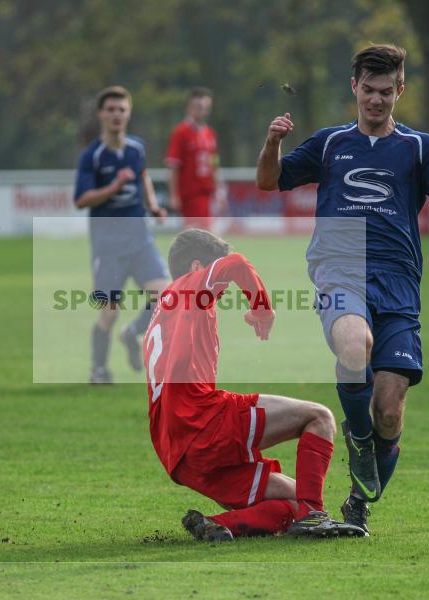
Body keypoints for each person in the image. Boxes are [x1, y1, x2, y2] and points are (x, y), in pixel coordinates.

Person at [256, 44, 429, 535]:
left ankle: (359, 500)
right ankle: (356, 435)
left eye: (386, 92)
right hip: (340, 267)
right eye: (368, 90)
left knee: (390, 410)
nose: (376, 100)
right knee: (355, 346)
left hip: (399, 282)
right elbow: (269, 180)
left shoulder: (418, 147)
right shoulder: (331, 142)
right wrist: (273, 142)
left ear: (399, 90)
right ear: (353, 88)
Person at [145, 229, 361, 540]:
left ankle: (216, 525)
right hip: (202, 423)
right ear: (196, 267)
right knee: (320, 417)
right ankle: (314, 518)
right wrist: (262, 307)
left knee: (294, 500)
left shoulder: (164, 311)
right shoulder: (191, 287)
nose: (221, 292)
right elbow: (236, 264)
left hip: (177, 453)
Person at [74, 86, 169, 384]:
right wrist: (113, 188)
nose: (116, 115)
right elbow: (81, 199)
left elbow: (143, 178)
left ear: (128, 114)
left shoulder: (136, 149)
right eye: (111, 110)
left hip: (140, 240)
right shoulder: (93, 156)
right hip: (108, 247)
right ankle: (98, 370)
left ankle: (132, 333)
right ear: (101, 114)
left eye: (122, 109)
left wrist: (152, 205)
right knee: (109, 313)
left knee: (166, 296)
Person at [165, 87, 223, 230]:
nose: (202, 111)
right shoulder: (181, 132)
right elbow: (173, 166)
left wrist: (219, 190)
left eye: (205, 107)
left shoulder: (210, 133)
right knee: (199, 234)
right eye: (198, 107)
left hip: (207, 192)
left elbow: (214, 163)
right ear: (189, 108)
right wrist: (173, 195)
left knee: (204, 235)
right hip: (190, 193)